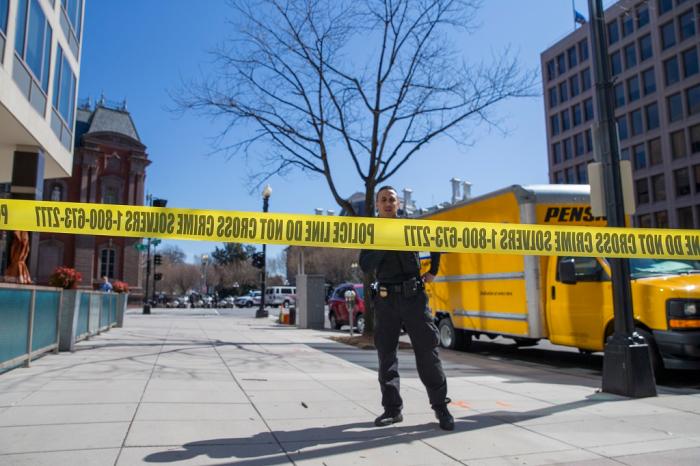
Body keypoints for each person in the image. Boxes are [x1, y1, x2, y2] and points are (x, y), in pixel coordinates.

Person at [359, 186, 454, 431]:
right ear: (377, 206)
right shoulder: (371, 232)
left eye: (392, 199)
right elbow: (365, 264)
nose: (388, 203)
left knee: (428, 353)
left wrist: (433, 270)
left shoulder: (411, 227)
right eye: (383, 200)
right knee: (386, 356)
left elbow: (437, 239)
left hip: (414, 298)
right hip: (386, 300)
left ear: (398, 203)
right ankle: (392, 410)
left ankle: (441, 408)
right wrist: (384, 240)